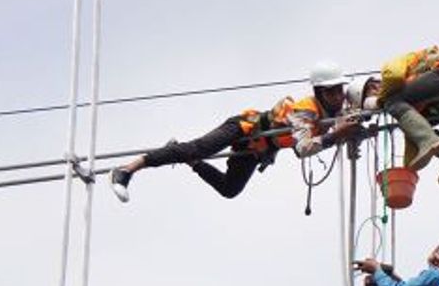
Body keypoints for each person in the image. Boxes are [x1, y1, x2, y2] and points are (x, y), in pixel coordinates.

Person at [109, 61, 360, 202]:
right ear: (319, 92)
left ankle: (189, 160)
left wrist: (355, 130)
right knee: (202, 147)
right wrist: (336, 135)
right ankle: (128, 169)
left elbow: (355, 111)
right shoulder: (305, 111)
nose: (338, 97)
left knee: (230, 189)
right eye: (331, 92)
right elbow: (303, 148)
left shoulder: (333, 112)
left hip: (257, 149)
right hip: (243, 129)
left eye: (339, 90)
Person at [345, 46, 439, 186]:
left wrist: (380, 101)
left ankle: (429, 140)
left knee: (391, 103)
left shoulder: (390, 70)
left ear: (373, 86)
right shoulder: (408, 105)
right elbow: (414, 137)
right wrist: (407, 169)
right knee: (415, 126)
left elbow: (394, 75)